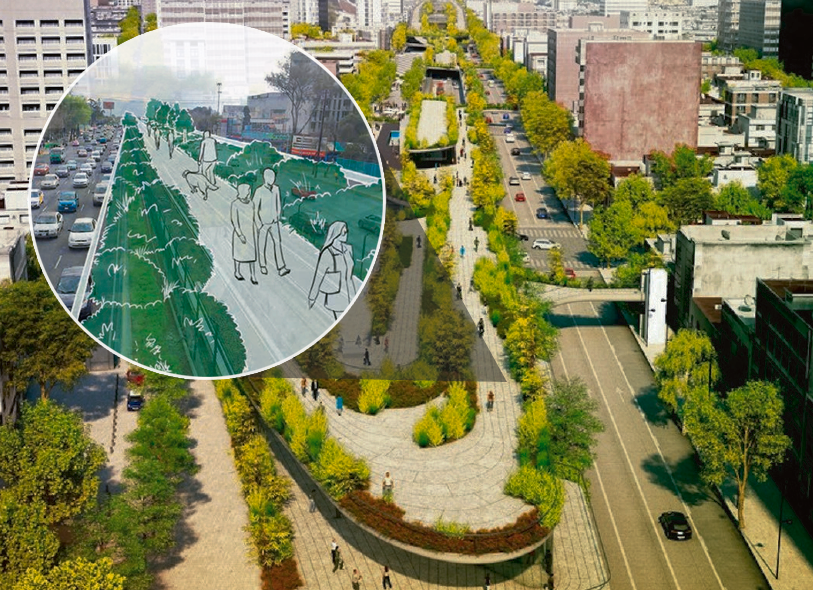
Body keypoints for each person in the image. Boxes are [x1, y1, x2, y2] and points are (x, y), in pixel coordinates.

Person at [308, 221, 357, 320]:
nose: (346, 234)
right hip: (336, 298)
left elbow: (350, 276)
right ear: (336, 233)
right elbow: (318, 277)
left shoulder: (348, 250)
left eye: (347, 231)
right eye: (344, 232)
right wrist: (312, 297)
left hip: (351, 294)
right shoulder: (327, 253)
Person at [254, 168, 290, 277]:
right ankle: (262, 265)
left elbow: (278, 203)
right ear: (265, 178)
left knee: (277, 243)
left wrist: (277, 216)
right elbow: (254, 209)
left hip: (274, 222)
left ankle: (281, 267)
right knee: (262, 245)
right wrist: (259, 224)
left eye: (273, 177)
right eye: (270, 177)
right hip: (263, 223)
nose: (272, 179)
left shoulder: (276, 189)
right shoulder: (259, 191)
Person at [230, 183, 258, 285]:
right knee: (238, 254)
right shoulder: (235, 204)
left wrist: (257, 229)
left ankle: (253, 275)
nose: (250, 192)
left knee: (252, 255)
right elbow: (234, 221)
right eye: (248, 190)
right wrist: (240, 234)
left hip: (250, 232)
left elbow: (254, 218)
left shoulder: (252, 204)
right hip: (240, 233)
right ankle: (237, 272)